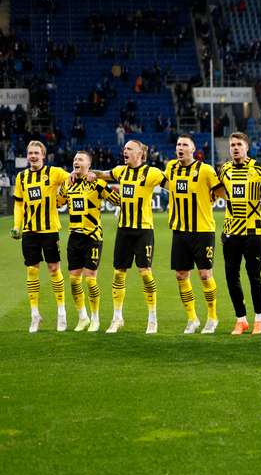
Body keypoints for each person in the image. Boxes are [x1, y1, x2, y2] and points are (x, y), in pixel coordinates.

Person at [89, 139, 167, 333]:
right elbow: (104, 175)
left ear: (140, 154)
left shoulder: (152, 173)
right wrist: (88, 173)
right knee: (118, 273)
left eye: (129, 149)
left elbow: (172, 185)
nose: (125, 151)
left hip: (143, 230)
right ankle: (117, 318)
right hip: (123, 229)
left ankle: (152, 318)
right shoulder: (120, 171)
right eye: (124, 148)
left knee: (145, 273)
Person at [163, 135, 225, 334]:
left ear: (193, 150)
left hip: (203, 231)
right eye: (178, 144)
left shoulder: (205, 170)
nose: (180, 147)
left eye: (185, 145)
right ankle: (192, 319)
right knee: (181, 275)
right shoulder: (171, 167)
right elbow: (166, 185)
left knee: (205, 274)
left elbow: (219, 191)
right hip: (180, 231)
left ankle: (213, 317)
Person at [218, 132, 261, 335]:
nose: (235, 148)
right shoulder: (224, 170)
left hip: (253, 232)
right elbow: (217, 191)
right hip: (231, 233)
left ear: (247, 147)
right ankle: (240, 319)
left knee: (254, 276)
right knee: (231, 276)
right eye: (232, 144)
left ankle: (259, 319)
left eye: (239, 144)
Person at [10, 141, 69, 332]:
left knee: (53, 268)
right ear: (27, 156)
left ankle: (61, 313)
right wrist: (17, 226)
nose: (33, 156)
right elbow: (19, 204)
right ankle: (35, 315)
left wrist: (62, 197)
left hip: (50, 229)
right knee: (32, 271)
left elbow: (73, 179)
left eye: (36, 153)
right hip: (29, 231)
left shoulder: (54, 172)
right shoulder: (21, 177)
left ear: (43, 155)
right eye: (30, 153)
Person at [64, 150, 121, 332]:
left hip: (92, 236)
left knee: (90, 279)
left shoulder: (96, 184)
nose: (76, 161)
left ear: (88, 165)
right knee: (74, 281)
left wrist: (98, 181)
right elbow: (58, 202)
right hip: (74, 237)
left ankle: (95, 318)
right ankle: (83, 317)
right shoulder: (69, 184)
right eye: (74, 159)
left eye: (80, 159)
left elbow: (116, 200)